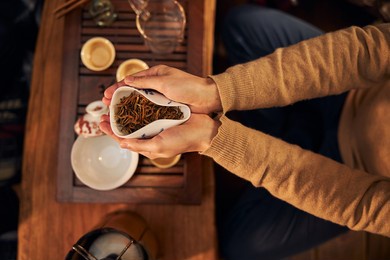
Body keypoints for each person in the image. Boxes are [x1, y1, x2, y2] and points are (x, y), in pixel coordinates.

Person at [100, 5, 390, 259]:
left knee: (239, 245)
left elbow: (362, 205)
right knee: (240, 25)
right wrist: (215, 91)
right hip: (353, 93)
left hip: (354, 175)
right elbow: (367, 52)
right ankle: (276, 123)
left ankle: (274, 127)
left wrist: (213, 138)